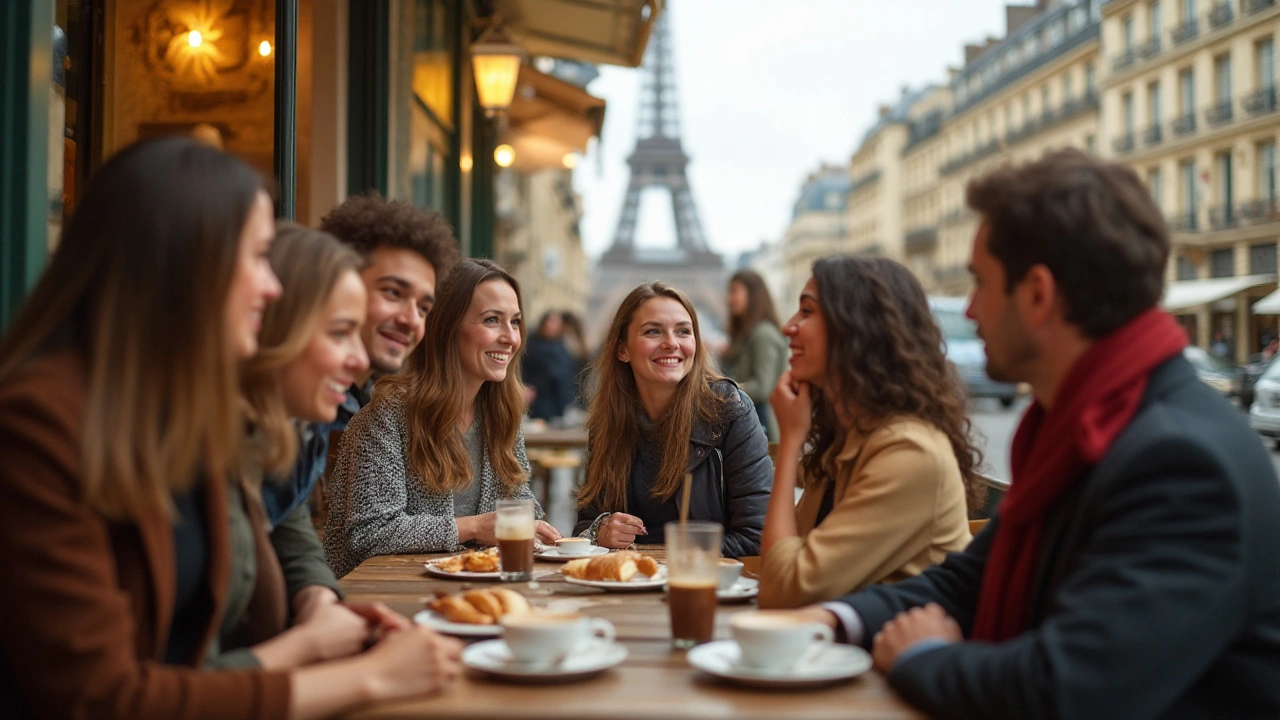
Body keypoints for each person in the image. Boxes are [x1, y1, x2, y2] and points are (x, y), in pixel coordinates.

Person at [795, 150, 1280, 718]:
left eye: (980, 282)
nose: (969, 310)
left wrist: (922, 655)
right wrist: (830, 619)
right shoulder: (1078, 427)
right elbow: (962, 586)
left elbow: (1073, 688)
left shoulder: (1179, 460)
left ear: (1038, 294)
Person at [0, 137, 461, 720]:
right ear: (181, 258)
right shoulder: (40, 423)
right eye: (256, 256)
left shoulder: (186, 416)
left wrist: (321, 610)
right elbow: (103, 697)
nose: (272, 288)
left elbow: (231, 613)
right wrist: (359, 675)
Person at [757, 255, 977, 609]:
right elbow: (783, 561)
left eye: (808, 312)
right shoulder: (843, 441)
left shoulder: (909, 452)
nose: (788, 326)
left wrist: (792, 441)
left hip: (897, 659)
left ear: (857, 326)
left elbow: (784, 587)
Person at [324, 259, 561, 577]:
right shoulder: (389, 416)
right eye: (492, 320)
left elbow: (519, 501)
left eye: (515, 322)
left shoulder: (500, 415)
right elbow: (370, 534)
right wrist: (475, 527)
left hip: (473, 593)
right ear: (447, 329)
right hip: (381, 599)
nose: (510, 338)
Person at [214, 222, 378, 671]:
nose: (361, 360)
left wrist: (320, 602)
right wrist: (314, 644)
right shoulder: (192, 450)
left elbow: (292, 527)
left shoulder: (284, 430)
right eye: (340, 333)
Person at [262, 192, 459, 526]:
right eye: (393, 293)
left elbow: (285, 526)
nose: (412, 319)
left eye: (424, 307)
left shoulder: (347, 401)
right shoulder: (270, 401)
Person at [573, 282, 772, 557]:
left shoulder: (730, 410)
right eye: (653, 331)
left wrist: (667, 558)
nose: (671, 343)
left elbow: (757, 537)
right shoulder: (608, 421)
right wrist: (601, 529)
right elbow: (585, 523)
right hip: (629, 586)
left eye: (683, 331)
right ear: (623, 349)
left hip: (704, 585)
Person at [722, 270, 789, 441]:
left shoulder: (763, 334)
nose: (729, 298)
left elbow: (762, 387)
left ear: (753, 294)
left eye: (734, 291)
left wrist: (723, 390)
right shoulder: (750, 334)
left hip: (765, 426)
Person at [522, 311, 577, 422]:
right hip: (538, 400)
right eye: (549, 321)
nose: (550, 325)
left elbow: (566, 373)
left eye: (555, 322)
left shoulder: (562, 346)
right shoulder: (531, 346)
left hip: (560, 400)